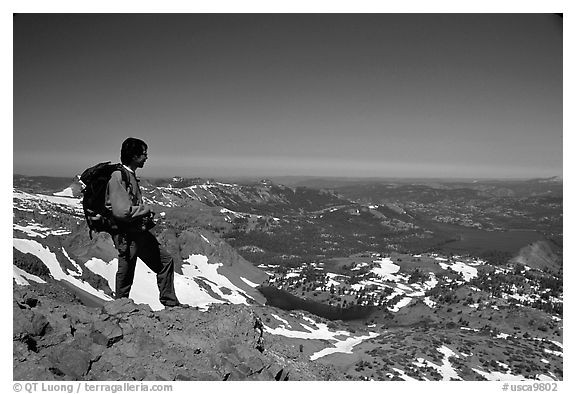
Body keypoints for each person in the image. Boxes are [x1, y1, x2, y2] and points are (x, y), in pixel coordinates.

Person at [105, 137, 182, 308]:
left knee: (164, 261)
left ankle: (169, 303)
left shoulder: (129, 175)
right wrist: (145, 209)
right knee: (126, 270)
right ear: (133, 156)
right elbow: (122, 211)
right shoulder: (118, 176)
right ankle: (119, 307)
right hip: (126, 234)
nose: (146, 157)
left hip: (137, 231)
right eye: (144, 154)